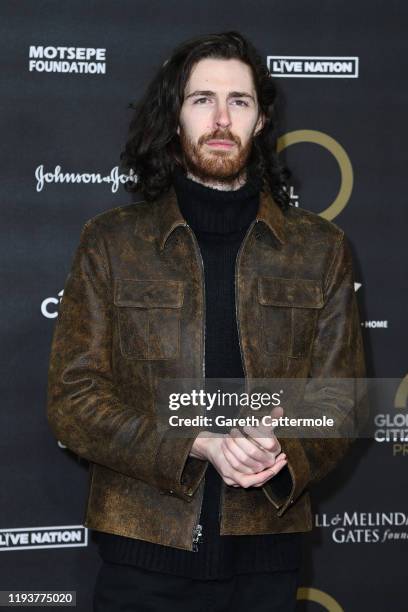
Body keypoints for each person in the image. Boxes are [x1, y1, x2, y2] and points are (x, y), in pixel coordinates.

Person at [47, 31, 367, 612]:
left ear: (262, 120)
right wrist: (197, 442)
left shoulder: (321, 248)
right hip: (141, 552)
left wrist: (284, 444)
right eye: (202, 100)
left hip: (267, 559)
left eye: (238, 102)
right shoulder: (111, 242)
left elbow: (340, 398)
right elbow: (73, 399)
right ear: (175, 117)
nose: (221, 119)